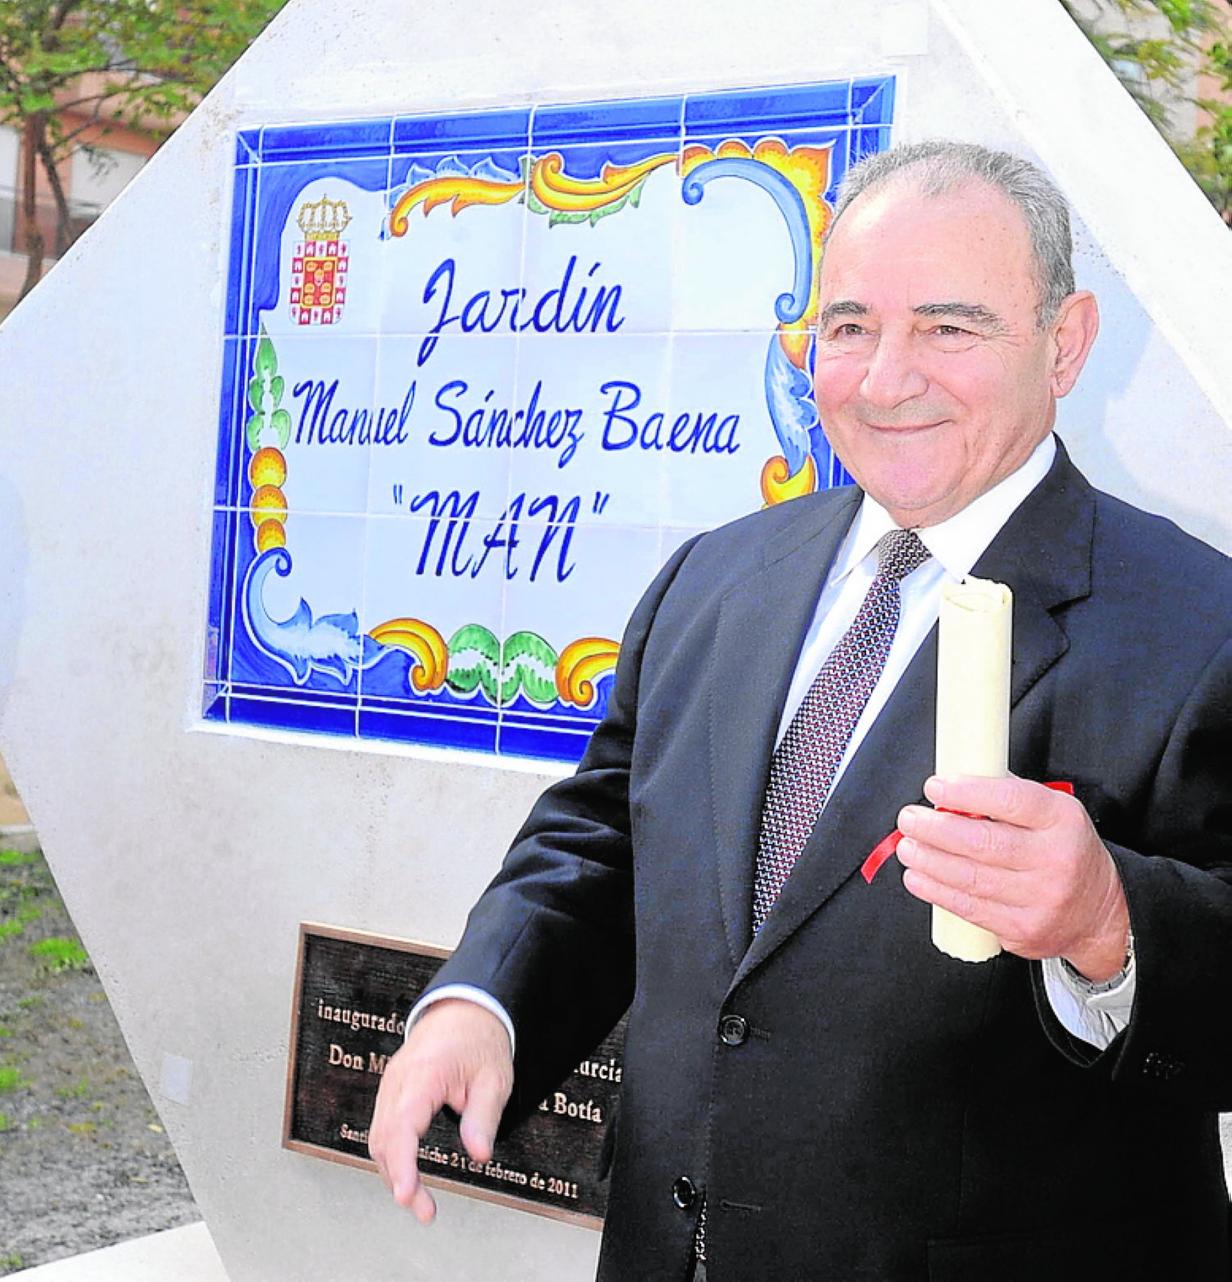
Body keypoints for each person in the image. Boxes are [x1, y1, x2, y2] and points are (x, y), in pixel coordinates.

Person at [369, 141, 1232, 1280]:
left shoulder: (1200, 624)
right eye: (850, 327)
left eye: (950, 327)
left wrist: (1109, 926)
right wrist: (485, 1002)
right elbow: (603, 839)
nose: (885, 379)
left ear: (1064, 343)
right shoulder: (715, 579)